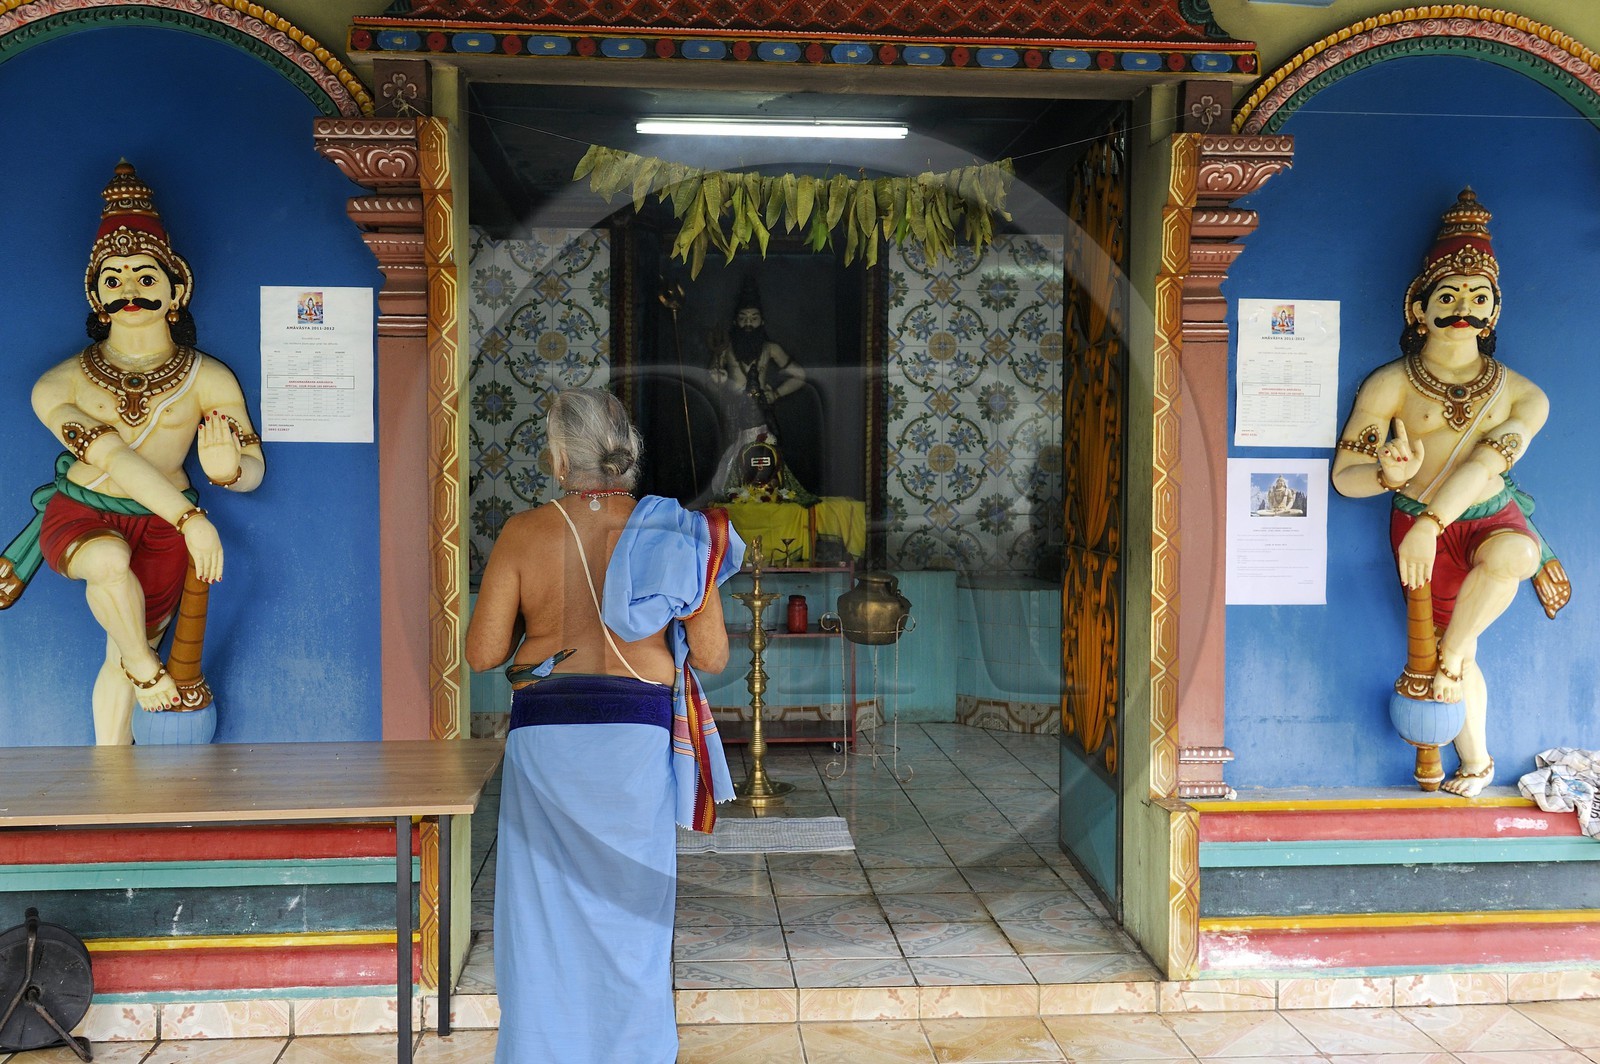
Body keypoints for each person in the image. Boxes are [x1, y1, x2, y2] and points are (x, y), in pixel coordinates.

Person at [464, 387, 743, 1064]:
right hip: (634, 734)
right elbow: (711, 656)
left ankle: (541, 1048)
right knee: (631, 898)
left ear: (561, 459)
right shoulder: (674, 531)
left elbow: (483, 652)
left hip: (547, 731)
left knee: (544, 906)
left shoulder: (525, 532)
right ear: (631, 456)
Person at [0, 161, 263, 744]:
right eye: (113, 281)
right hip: (87, 511)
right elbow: (113, 457)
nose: (129, 293)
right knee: (108, 566)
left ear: (176, 288)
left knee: (127, 642)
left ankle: (111, 772)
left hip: (162, 524)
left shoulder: (207, 378)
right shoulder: (59, 385)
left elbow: (252, 468)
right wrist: (193, 519)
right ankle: (146, 674)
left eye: (146, 278)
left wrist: (227, 471)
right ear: (95, 295)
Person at [1332, 188, 1568, 797]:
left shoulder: (1523, 396)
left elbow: (1489, 466)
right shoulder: (1391, 384)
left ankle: (1456, 659)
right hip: (1414, 523)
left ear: (1494, 313)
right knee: (1435, 647)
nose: (1464, 309)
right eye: (1448, 296)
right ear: (1419, 307)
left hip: (1476, 519)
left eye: (1479, 298)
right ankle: (1477, 761)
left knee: (1509, 566)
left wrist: (1432, 523)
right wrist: (1387, 475)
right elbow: (1345, 478)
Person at [706, 283, 807, 498]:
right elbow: (711, 381)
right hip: (734, 410)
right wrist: (720, 382)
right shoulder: (726, 349)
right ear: (735, 321)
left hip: (761, 411)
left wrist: (776, 393)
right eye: (743, 318)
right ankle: (734, 495)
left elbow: (800, 376)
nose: (748, 324)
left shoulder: (770, 349)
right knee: (733, 454)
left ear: (762, 321)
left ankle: (763, 493)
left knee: (765, 451)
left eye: (753, 318)